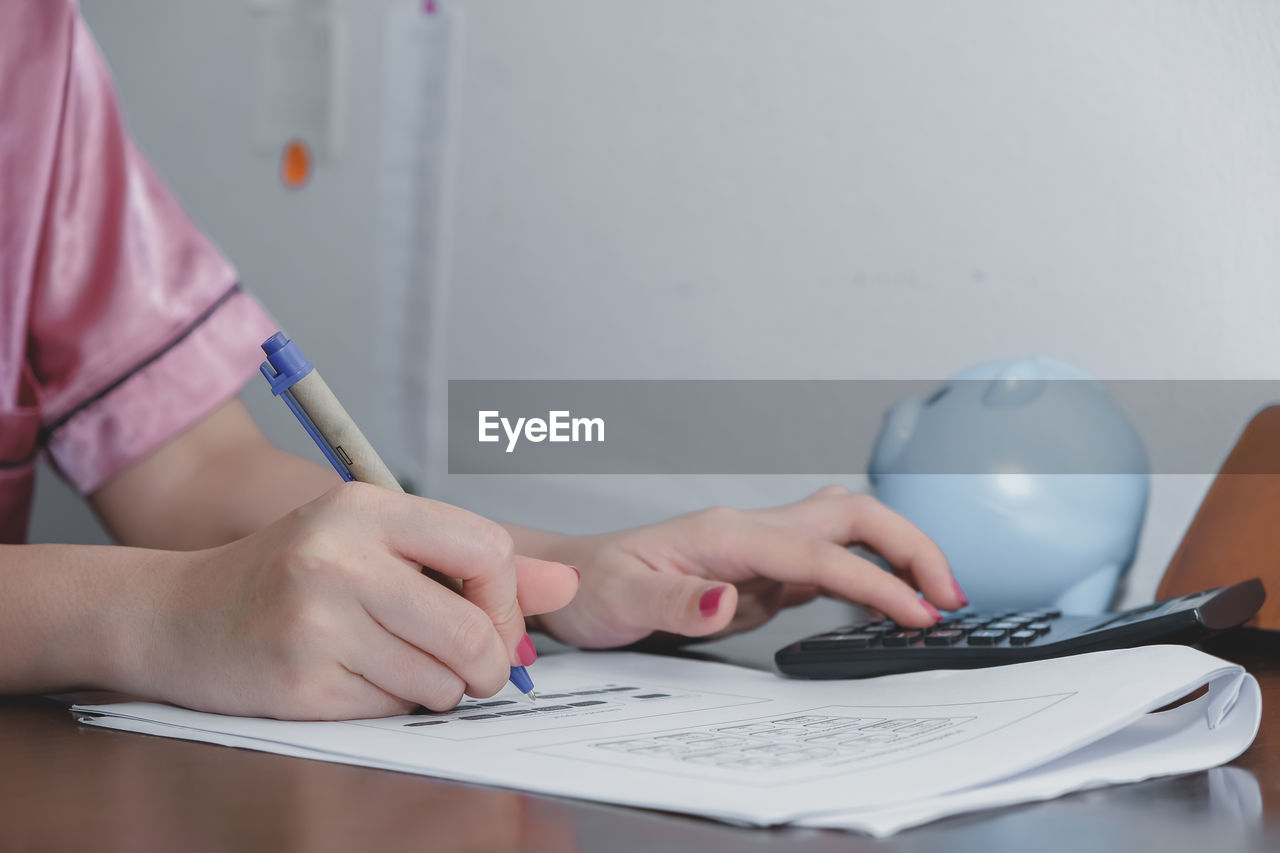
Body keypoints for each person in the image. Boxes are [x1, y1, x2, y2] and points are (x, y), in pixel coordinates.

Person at [0, 0, 964, 720]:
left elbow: (186, 464)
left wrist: (565, 570)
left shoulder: (34, 45)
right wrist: (154, 613)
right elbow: (176, 582)